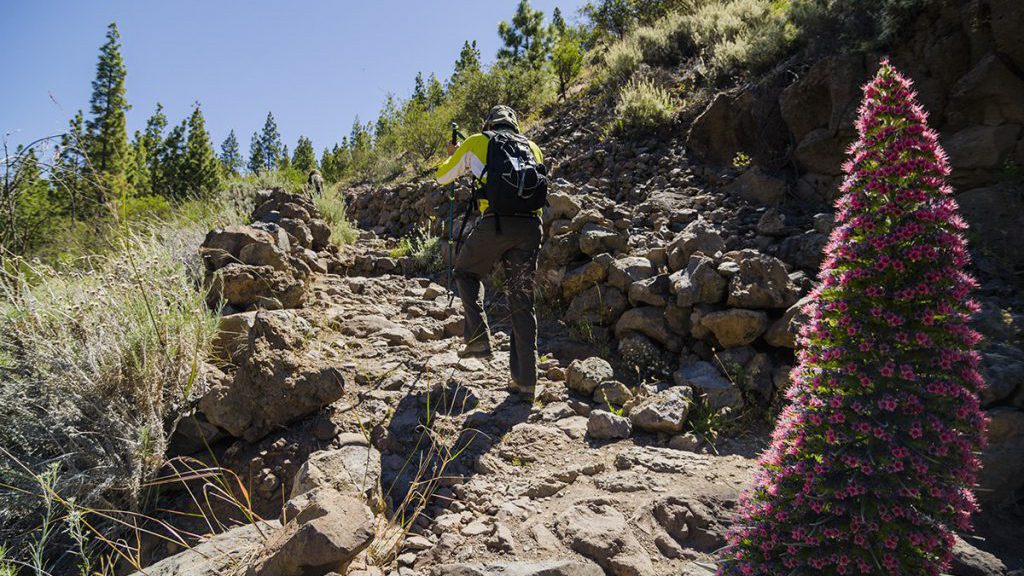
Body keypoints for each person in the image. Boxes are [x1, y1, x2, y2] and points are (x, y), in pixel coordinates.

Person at [435, 105, 546, 398]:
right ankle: (526, 382)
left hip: (495, 223)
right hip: (531, 227)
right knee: (522, 301)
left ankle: (477, 339)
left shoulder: (477, 141)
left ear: (489, 124)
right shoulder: (532, 147)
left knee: (466, 272)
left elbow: (442, 177)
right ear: (514, 125)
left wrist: (453, 153)